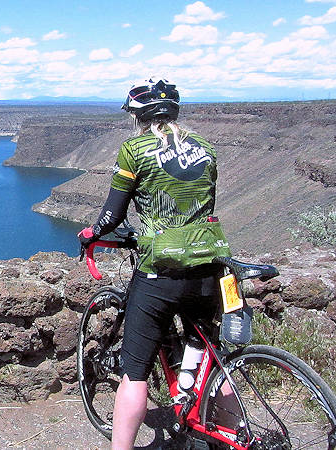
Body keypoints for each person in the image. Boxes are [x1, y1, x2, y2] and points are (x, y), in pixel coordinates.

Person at [78, 77, 228, 449]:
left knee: (135, 373)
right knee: (212, 359)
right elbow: (199, 208)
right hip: (210, 267)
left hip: (160, 271)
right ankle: (227, 432)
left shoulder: (135, 149)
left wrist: (91, 234)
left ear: (139, 116)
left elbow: (113, 216)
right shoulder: (206, 149)